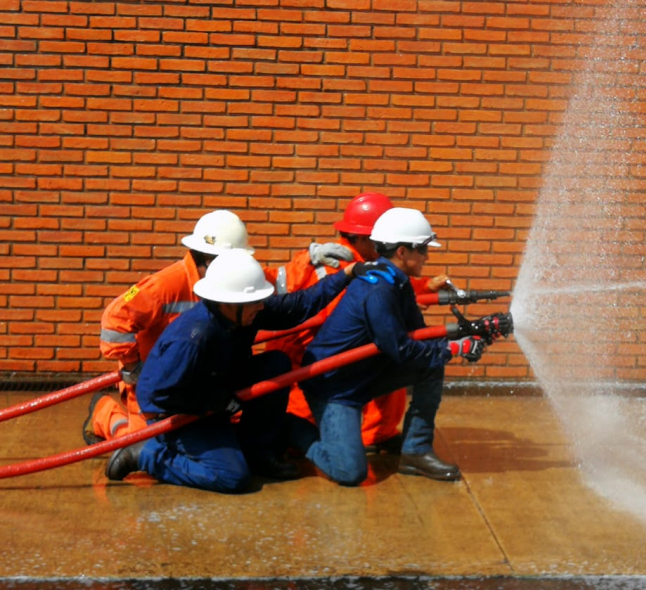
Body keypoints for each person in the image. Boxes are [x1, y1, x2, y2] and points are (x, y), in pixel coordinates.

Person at [103, 249, 384, 493]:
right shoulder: (194, 337)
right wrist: (217, 401)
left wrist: (347, 274)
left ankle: (258, 450)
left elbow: (297, 307)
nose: (261, 307)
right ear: (229, 304)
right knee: (232, 477)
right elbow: (157, 395)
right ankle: (147, 455)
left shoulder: (242, 310)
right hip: (181, 412)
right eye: (255, 302)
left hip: (216, 386)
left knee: (276, 364)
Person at [298, 207, 488, 486]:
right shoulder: (379, 289)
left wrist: (473, 334)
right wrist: (454, 349)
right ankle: (291, 429)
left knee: (430, 365)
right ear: (401, 252)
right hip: (334, 387)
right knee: (350, 473)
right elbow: (399, 349)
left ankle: (416, 452)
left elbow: (419, 335)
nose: (427, 256)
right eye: (422, 249)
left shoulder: (396, 282)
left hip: (362, 374)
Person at [262, 193, 449, 456]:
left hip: (333, 362)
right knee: (322, 447)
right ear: (363, 238)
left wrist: (422, 287)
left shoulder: (362, 263)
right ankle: (300, 432)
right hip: (311, 369)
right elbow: (349, 312)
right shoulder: (334, 266)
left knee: (396, 355)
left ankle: (378, 435)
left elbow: (385, 287)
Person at [83, 210, 254, 447]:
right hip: (154, 386)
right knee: (143, 447)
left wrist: (309, 260)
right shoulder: (165, 285)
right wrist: (134, 367)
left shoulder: (227, 283)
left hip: (193, 385)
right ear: (208, 258)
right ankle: (104, 413)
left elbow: (273, 283)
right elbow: (115, 317)